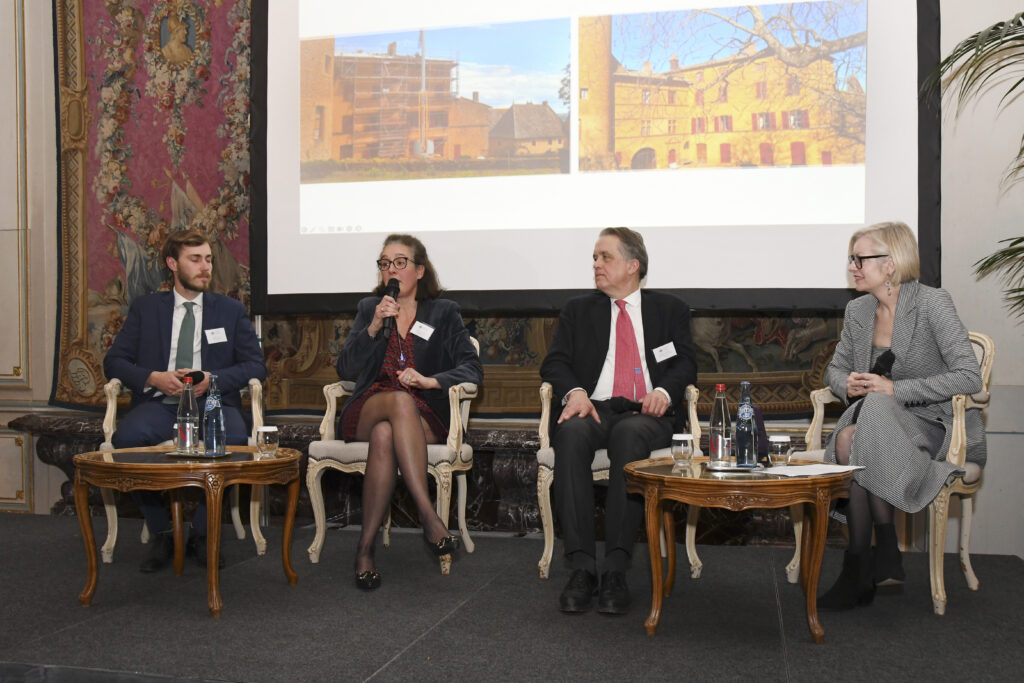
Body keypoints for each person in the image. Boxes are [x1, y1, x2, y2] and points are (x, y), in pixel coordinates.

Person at [818, 221, 985, 610]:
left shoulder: (932, 303)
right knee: (853, 432)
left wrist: (896, 389)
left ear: (890, 264)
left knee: (866, 418)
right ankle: (873, 557)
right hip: (877, 424)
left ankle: (863, 565)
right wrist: (848, 383)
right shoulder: (859, 309)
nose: (853, 267)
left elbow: (969, 376)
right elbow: (834, 370)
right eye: (851, 259)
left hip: (931, 423)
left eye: (860, 259)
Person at [540, 227, 697, 614]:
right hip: (595, 407)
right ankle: (581, 567)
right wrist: (575, 392)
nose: (596, 264)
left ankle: (615, 568)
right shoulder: (578, 310)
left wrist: (664, 392)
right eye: (594, 257)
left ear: (632, 265)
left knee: (629, 434)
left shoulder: (669, 309)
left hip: (646, 412)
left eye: (605, 257)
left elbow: (685, 363)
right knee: (570, 433)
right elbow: (555, 362)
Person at [103, 230, 266, 573]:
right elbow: (114, 362)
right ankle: (162, 531)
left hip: (212, 403)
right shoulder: (147, 309)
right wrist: (153, 377)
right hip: (161, 403)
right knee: (126, 440)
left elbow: (256, 366)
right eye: (195, 259)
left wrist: (213, 379)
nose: (206, 267)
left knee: (235, 440)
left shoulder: (230, 310)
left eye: (208, 259)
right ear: (172, 264)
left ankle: (202, 533)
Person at [336, 234, 483, 591]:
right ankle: (429, 516)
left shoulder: (443, 312)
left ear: (419, 270)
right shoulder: (369, 308)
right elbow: (345, 369)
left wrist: (431, 381)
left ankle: (364, 550)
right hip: (372, 403)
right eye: (385, 263)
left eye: (400, 262)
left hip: (423, 411)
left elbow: (472, 368)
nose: (391, 269)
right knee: (397, 403)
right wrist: (373, 326)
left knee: (386, 434)